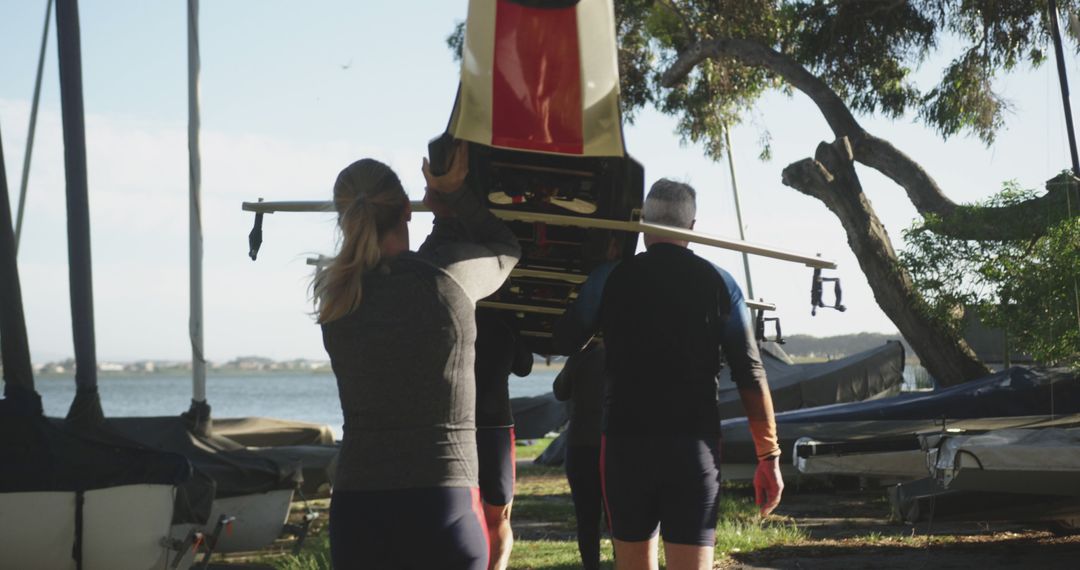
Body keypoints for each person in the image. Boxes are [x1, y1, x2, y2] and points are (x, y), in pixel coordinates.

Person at [556, 179, 783, 570]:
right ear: (692, 228)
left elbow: (565, 338)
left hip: (626, 448)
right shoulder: (721, 283)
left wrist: (602, 278)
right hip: (693, 450)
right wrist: (769, 455)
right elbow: (750, 372)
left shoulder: (609, 278)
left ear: (642, 225)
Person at [316, 144, 521, 570]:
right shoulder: (446, 283)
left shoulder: (335, 299)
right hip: (441, 503)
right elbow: (505, 247)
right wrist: (454, 198)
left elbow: (405, 272)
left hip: (358, 508)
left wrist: (444, 214)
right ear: (407, 211)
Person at [473, 308, 533, 570]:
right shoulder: (505, 319)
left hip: (457, 423)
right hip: (495, 426)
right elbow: (524, 367)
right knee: (498, 516)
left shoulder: (452, 309)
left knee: (457, 511)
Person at [552, 340, 607, 570]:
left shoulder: (581, 355)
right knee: (620, 518)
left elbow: (560, 390)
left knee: (587, 517)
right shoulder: (624, 352)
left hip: (580, 443)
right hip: (611, 442)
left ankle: (591, 566)